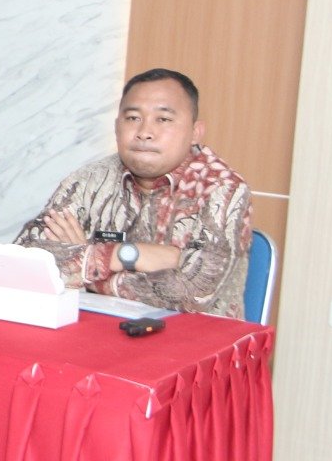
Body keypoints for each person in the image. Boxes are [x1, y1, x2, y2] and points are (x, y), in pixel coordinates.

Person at [14, 68, 253, 317]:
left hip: (193, 337)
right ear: (117, 127)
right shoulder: (89, 180)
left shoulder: (221, 188)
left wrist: (87, 268)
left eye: (163, 119)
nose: (145, 132)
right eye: (133, 118)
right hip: (99, 327)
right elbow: (22, 261)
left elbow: (191, 293)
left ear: (195, 133)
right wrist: (123, 255)